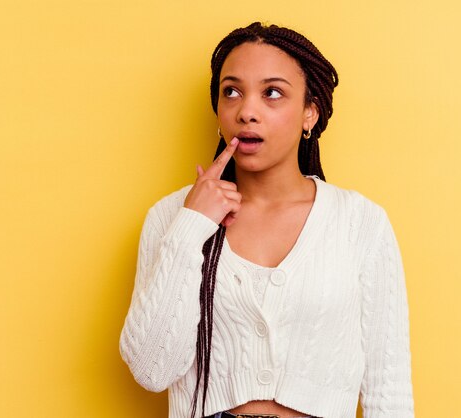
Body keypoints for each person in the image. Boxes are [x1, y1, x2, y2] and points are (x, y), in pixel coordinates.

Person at [119, 22, 414, 418]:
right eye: (232, 92)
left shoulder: (360, 223)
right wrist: (191, 227)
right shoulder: (173, 217)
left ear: (310, 112)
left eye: (272, 93)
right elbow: (152, 370)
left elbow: (389, 387)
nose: (247, 112)